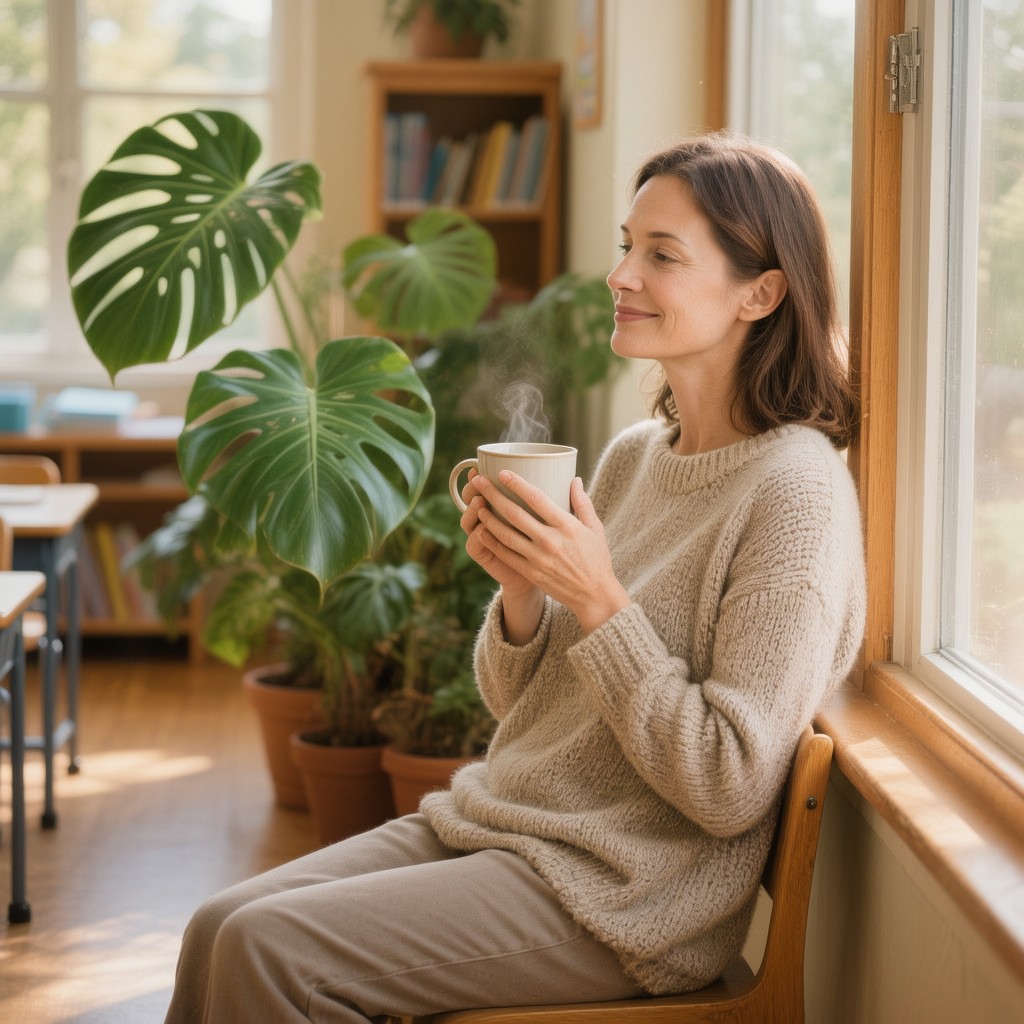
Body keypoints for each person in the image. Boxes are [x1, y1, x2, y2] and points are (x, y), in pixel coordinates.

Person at [163, 132, 866, 1024]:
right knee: (218, 923)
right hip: (508, 826)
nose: (621, 276)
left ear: (760, 293)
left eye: (662, 255)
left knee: (272, 952)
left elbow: (727, 786)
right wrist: (525, 598)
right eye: (626, 245)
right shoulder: (634, 457)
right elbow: (519, 711)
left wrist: (596, 598)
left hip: (626, 895)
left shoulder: (795, 492)